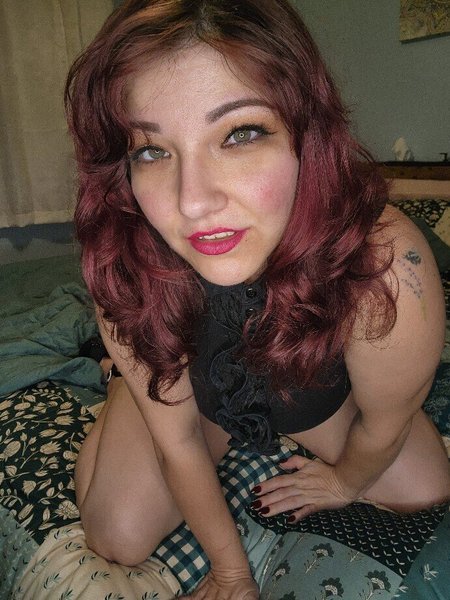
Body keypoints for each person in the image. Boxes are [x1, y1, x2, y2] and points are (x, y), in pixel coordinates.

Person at [64, 1, 450, 598]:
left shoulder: (386, 263)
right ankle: (127, 383)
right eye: (151, 150)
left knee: (425, 486)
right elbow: (179, 445)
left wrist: (344, 482)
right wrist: (231, 572)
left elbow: (386, 423)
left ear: (305, 137)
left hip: (310, 396)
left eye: (239, 134)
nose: (192, 202)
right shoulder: (128, 257)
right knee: (116, 534)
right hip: (199, 396)